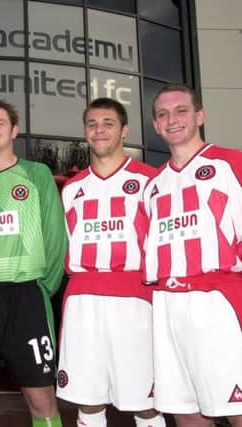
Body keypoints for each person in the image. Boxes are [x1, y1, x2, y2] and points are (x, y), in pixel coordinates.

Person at [57, 97, 165, 427]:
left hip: (134, 297)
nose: (99, 130)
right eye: (92, 124)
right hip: (83, 299)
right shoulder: (71, 188)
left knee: (145, 402)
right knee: (88, 401)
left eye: (108, 123)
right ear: (85, 132)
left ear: (124, 130)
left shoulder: (151, 180)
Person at [144, 83, 242, 427]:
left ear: (200, 115)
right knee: (184, 409)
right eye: (162, 114)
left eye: (181, 111)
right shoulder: (153, 185)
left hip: (217, 302)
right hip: (167, 304)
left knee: (234, 406)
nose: (172, 120)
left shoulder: (232, 163)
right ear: (155, 125)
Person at [0, 97, 67, 427]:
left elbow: (56, 238)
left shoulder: (36, 174)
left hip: (26, 297)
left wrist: (42, 288)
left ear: (14, 130)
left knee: (40, 396)